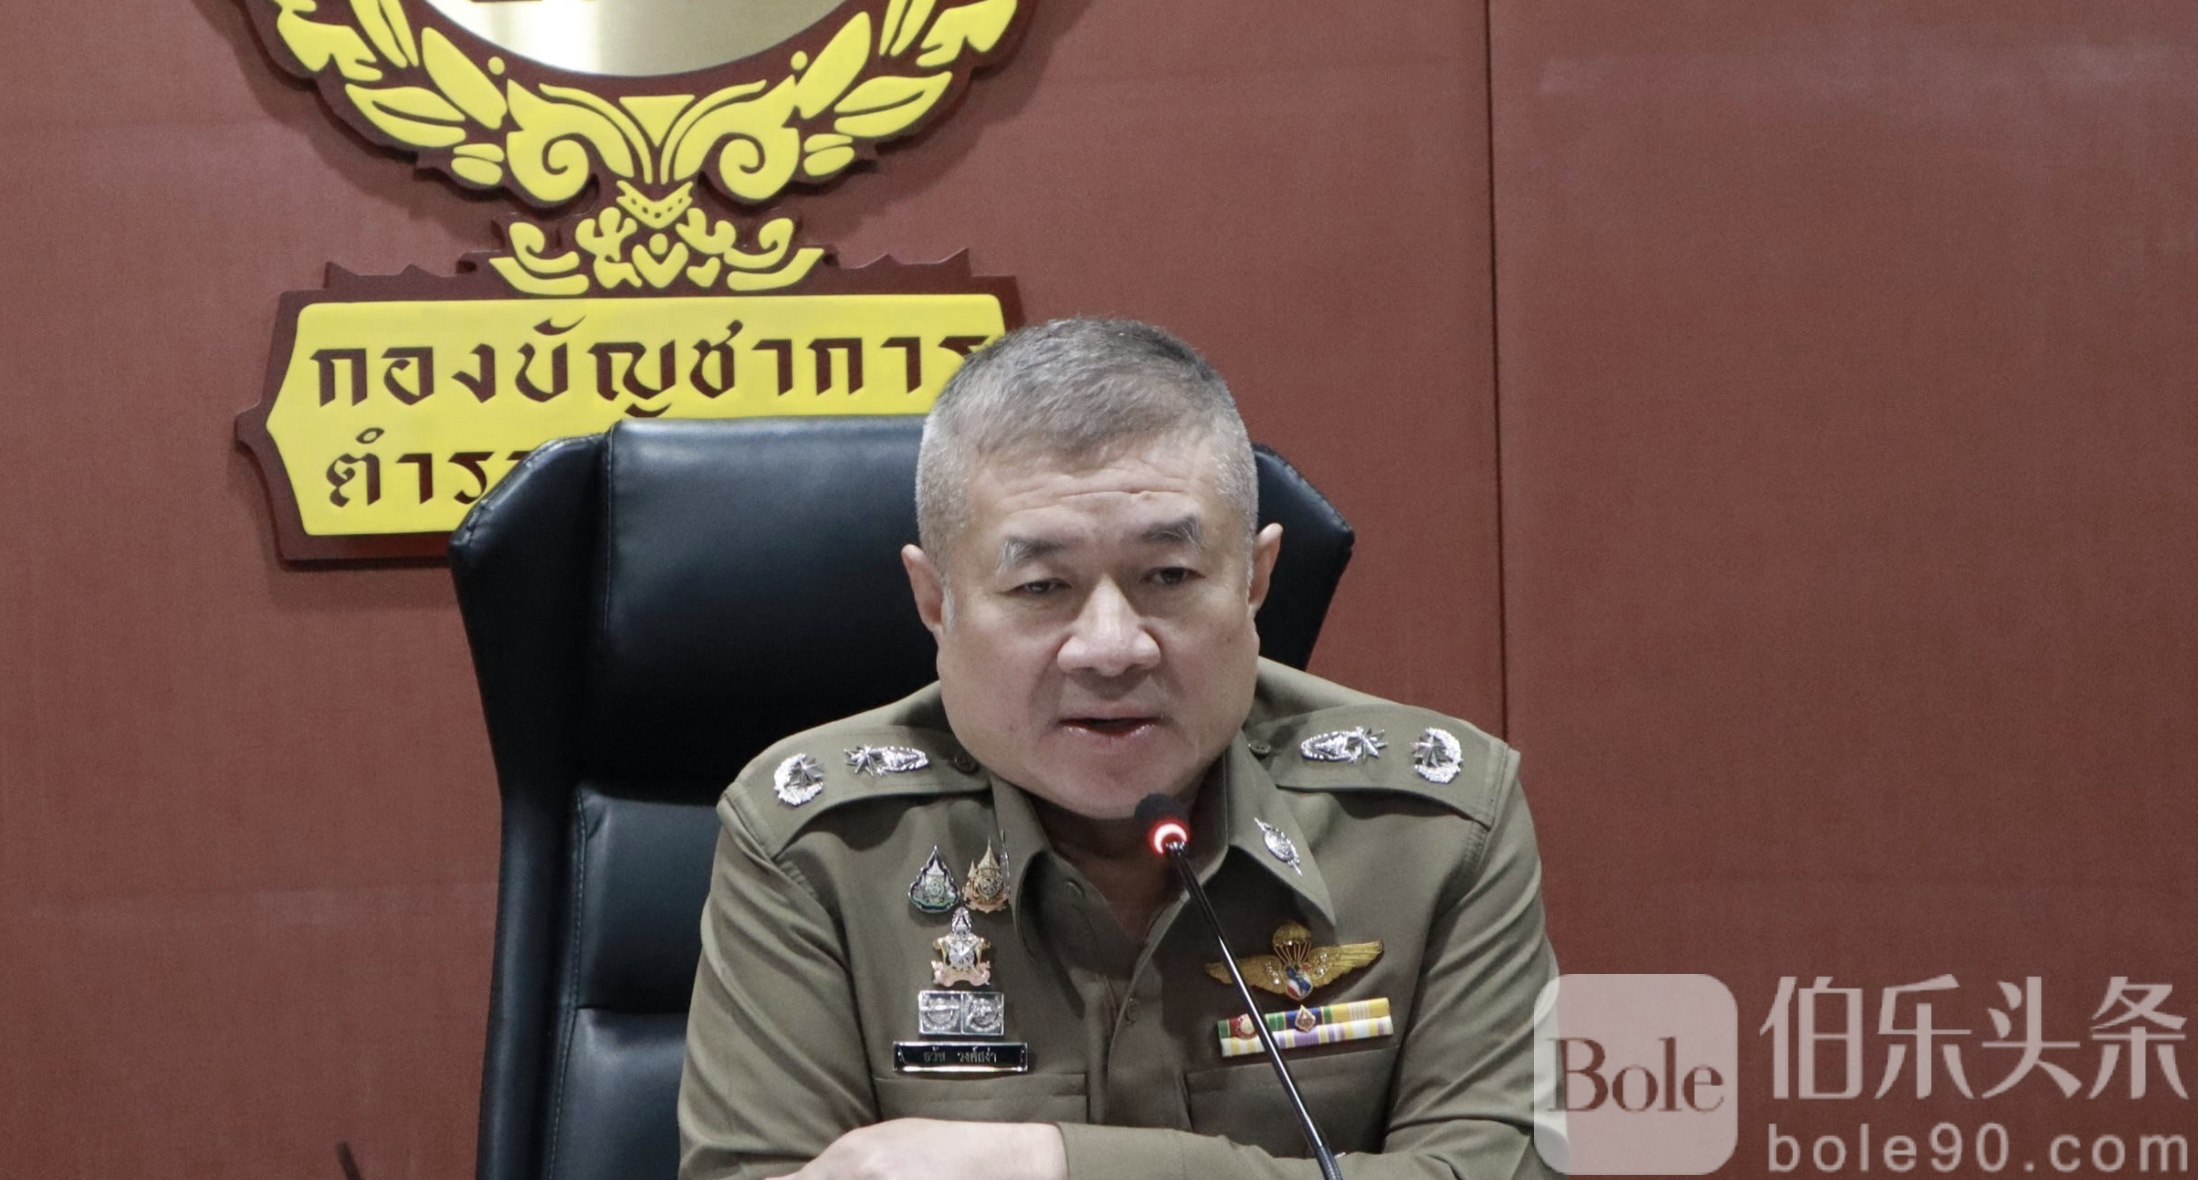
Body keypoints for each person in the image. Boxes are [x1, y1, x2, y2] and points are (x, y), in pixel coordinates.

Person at [678, 318, 1562, 1180]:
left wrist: (1050, 1164)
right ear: (936, 601)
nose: (1111, 648)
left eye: (1168, 576)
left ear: (1253, 581)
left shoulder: (1436, 826)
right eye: (1042, 587)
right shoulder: (817, 845)